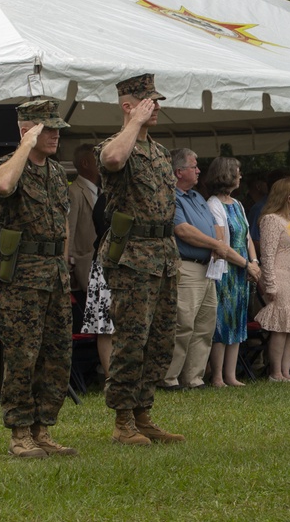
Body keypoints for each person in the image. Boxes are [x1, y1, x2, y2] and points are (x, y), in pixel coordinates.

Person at [98, 73, 183, 445]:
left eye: (157, 101)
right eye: (149, 102)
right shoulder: (116, 146)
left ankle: (143, 412)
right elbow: (114, 159)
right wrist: (133, 122)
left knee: (161, 340)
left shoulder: (161, 153)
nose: (156, 107)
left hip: (163, 255)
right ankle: (122, 422)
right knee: (131, 340)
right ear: (128, 106)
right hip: (133, 257)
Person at [0, 100, 76, 457]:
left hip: (54, 273)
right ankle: (20, 433)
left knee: (56, 355)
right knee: (23, 355)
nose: (55, 134)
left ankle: (42, 429)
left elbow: (63, 220)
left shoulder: (56, 172)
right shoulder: (7, 165)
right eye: (48, 128)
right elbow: (4, 185)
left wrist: (65, 263)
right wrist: (24, 145)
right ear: (28, 130)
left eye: (57, 128)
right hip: (22, 276)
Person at [164, 148, 248, 390]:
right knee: (183, 324)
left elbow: (212, 227)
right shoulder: (172, 197)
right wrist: (215, 244)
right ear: (179, 172)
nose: (199, 170)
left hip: (208, 268)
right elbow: (182, 231)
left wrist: (215, 245)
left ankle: (194, 377)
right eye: (194, 166)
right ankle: (169, 378)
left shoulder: (197, 197)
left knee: (204, 326)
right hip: (188, 267)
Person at [205, 156, 260, 387]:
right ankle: (217, 376)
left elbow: (246, 237)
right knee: (222, 323)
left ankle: (231, 375)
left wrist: (254, 261)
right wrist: (246, 265)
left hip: (241, 270)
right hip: (226, 271)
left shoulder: (237, 205)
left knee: (237, 321)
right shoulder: (213, 204)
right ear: (227, 174)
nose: (241, 176)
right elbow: (222, 246)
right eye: (238, 171)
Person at [253, 177, 290, 382]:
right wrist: (270, 283)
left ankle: (285, 371)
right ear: (288, 196)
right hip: (280, 276)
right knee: (280, 326)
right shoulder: (271, 220)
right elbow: (267, 254)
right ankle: (275, 373)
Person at [81, 191, 114, 377]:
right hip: (106, 265)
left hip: (134, 266)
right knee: (106, 326)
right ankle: (110, 377)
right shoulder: (106, 198)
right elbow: (104, 230)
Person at [67, 143, 100, 304]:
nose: (102, 163)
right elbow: (69, 229)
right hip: (84, 268)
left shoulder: (102, 190)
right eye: (97, 159)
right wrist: (69, 262)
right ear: (85, 163)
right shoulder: (74, 192)